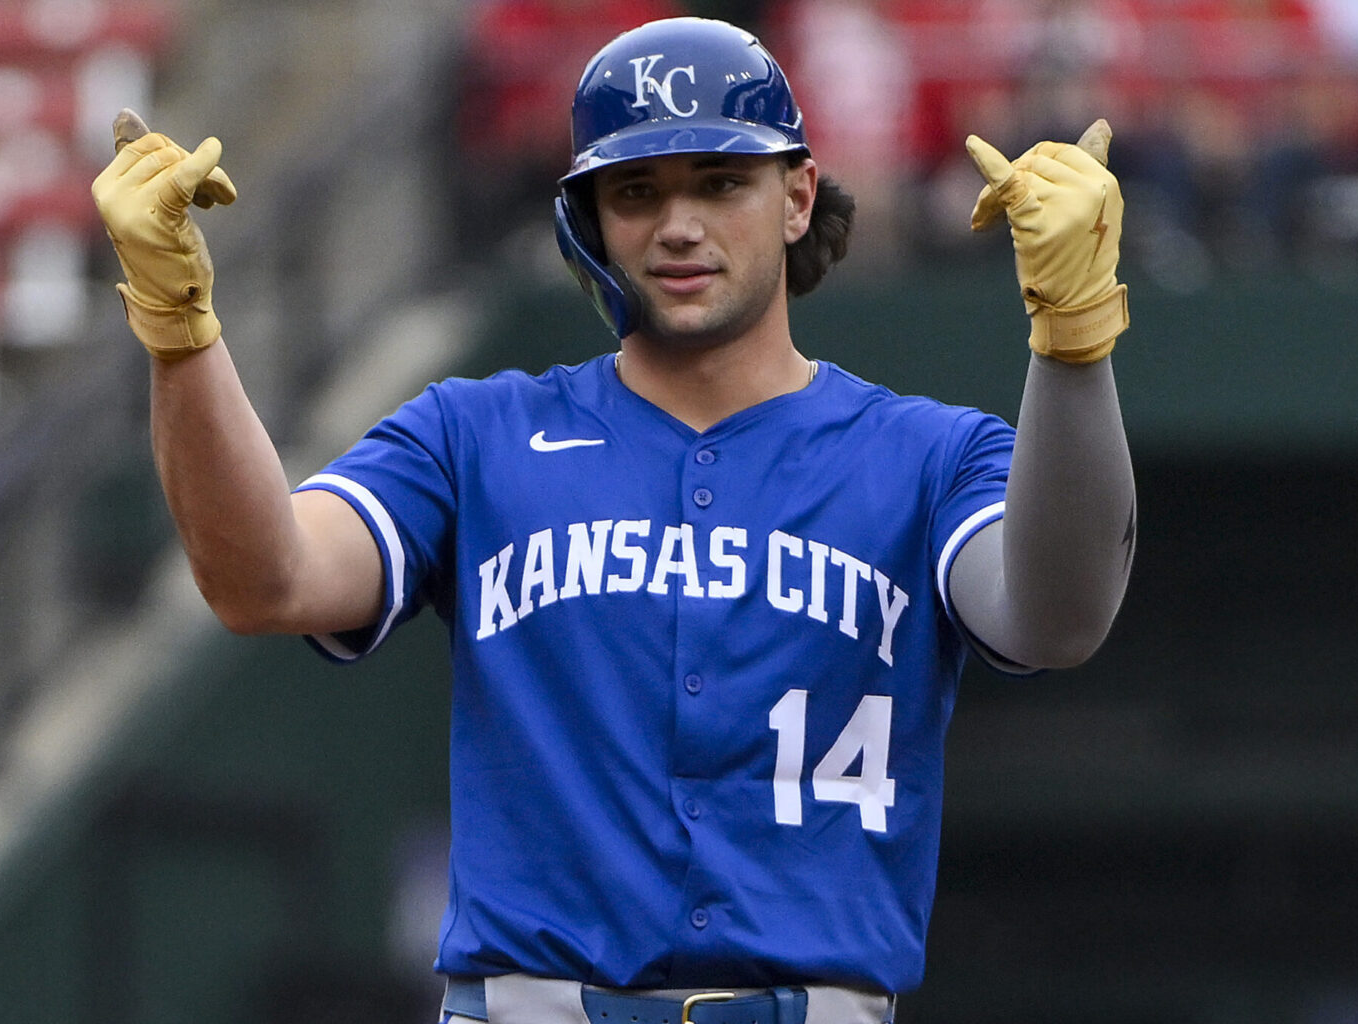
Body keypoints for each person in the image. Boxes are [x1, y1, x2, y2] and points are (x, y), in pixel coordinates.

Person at [92, 16, 1135, 1024]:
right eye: (635, 189)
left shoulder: (928, 454)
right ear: (589, 219)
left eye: (721, 181)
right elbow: (263, 578)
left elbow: (1056, 617)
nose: (678, 222)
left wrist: (1075, 344)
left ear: (796, 195)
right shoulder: (476, 434)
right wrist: (179, 331)